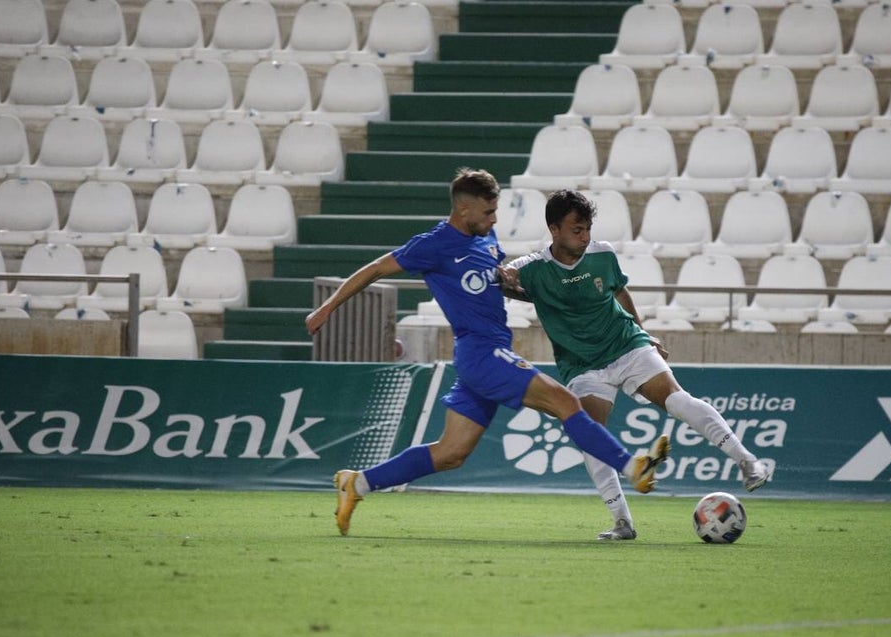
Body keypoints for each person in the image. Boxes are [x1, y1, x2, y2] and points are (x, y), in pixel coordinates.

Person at [305, 169, 670, 536]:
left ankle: (358, 484)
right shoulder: (433, 245)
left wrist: (506, 278)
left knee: (451, 452)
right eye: (488, 212)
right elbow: (375, 269)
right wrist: (327, 308)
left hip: (488, 353)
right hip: (482, 352)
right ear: (464, 211)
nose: (495, 219)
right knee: (566, 402)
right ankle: (632, 468)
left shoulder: (485, 236)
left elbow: (491, 277)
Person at [500, 189, 772, 541]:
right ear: (554, 229)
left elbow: (619, 291)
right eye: (576, 230)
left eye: (587, 229)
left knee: (676, 399)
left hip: (625, 344)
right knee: (590, 435)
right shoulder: (533, 268)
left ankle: (747, 461)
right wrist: (500, 277)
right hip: (582, 365)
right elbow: (504, 277)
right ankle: (622, 522)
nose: (585, 237)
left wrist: (644, 332)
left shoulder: (602, 254)